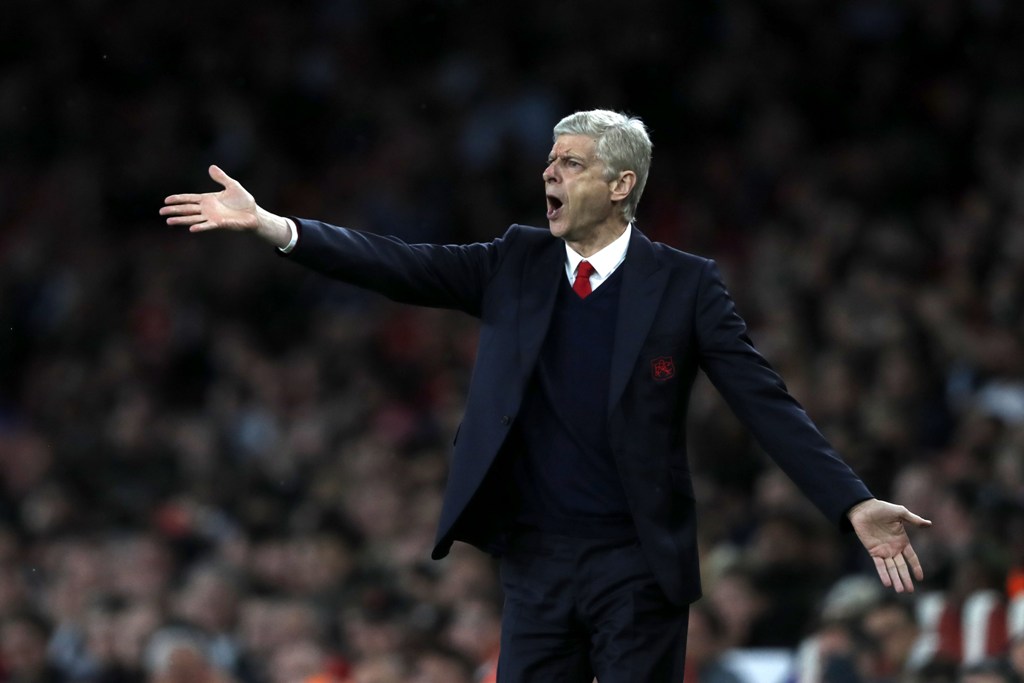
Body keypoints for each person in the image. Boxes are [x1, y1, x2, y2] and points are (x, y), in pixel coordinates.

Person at [161, 109, 932, 682]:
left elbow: (764, 400)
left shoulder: (686, 285)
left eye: (570, 162)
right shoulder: (516, 261)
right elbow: (397, 263)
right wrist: (276, 227)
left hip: (638, 562)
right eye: (550, 160)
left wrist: (851, 501)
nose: (548, 175)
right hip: (535, 561)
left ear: (621, 185)